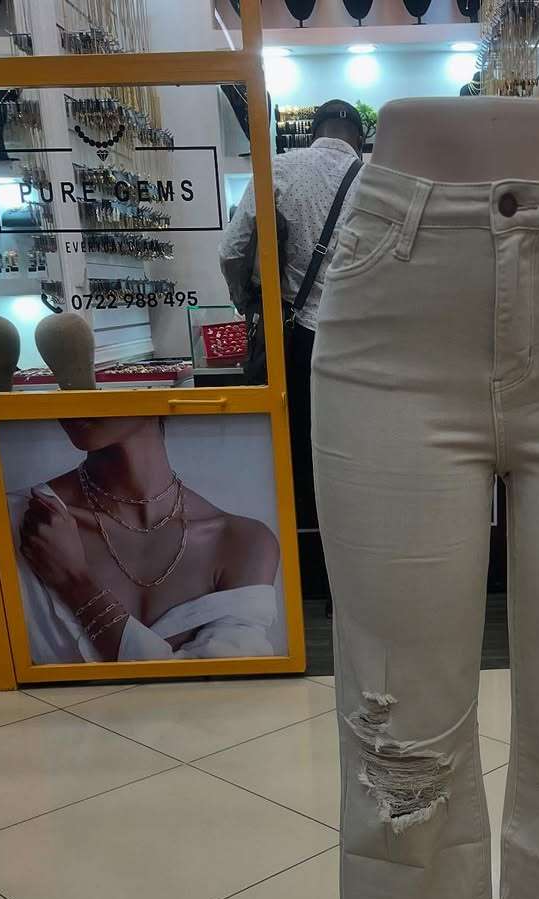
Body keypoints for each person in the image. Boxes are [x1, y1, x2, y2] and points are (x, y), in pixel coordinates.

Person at [219, 98, 364, 600]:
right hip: (360, 344)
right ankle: (348, 580)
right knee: (353, 458)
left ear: (312, 132)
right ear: (359, 139)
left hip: (295, 338)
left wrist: (246, 300)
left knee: (296, 453)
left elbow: (232, 250)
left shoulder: (277, 169)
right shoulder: (377, 182)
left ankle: (300, 576)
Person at [12, 416, 280, 663]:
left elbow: (223, 685)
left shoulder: (243, 543)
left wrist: (76, 584)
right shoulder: (12, 522)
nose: (74, 391)